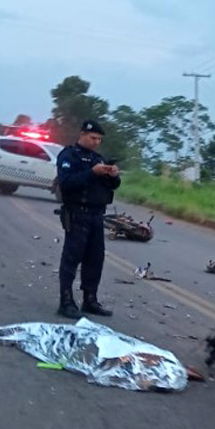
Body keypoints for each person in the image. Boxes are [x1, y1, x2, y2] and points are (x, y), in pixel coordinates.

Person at [55, 120, 121, 318]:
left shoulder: (98, 159)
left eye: (99, 139)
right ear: (82, 135)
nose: (96, 142)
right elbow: (66, 183)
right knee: (71, 258)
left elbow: (113, 186)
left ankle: (90, 299)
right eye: (93, 138)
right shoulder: (69, 156)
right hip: (77, 213)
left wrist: (113, 175)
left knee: (95, 259)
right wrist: (91, 173)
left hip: (96, 214)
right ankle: (65, 301)